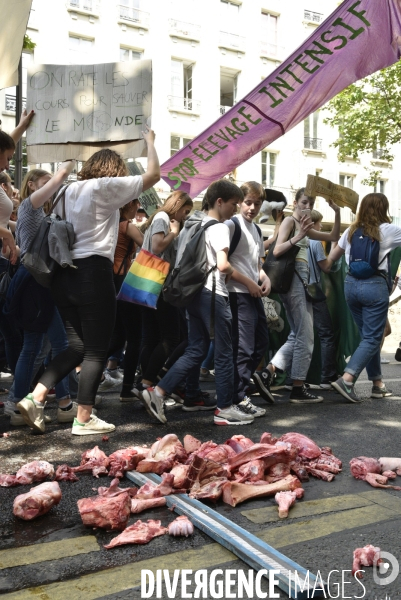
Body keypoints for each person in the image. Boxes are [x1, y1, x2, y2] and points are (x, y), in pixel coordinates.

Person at [16, 126, 160, 435]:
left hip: (63, 275)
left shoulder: (66, 190)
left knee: (77, 346)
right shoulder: (105, 187)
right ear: (114, 172)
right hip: (93, 272)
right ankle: (83, 418)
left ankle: (35, 396)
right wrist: (149, 143)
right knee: (97, 349)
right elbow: (153, 176)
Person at [142, 179, 255, 426]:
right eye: (234, 204)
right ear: (219, 201)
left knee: (196, 348)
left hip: (192, 293)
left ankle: (158, 393)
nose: (235, 210)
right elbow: (223, 265)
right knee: (224, 352)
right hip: (214, 292)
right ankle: (224, 408)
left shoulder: (190, 224)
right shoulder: (220, 227)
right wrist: (250, 283)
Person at [253, 188, 340, 404]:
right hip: (293, 278)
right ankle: (298, 387)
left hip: (301, 279)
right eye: (304, 202)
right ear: (296, 202)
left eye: (311, 202)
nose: (307, 206)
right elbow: (276, 250)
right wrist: (299, 236)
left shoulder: (303, 224)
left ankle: (269, 371)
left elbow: (333, 236)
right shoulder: (291, 222)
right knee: (306, 335)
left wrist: (337, 213)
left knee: (298, 333)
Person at [4, 168, 73, 427]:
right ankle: (61, 402)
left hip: (37, 282)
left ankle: (20, 402)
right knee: (53, 345)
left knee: (43, 345)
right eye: (44, 183)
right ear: (31, 185)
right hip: (37, 283)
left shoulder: (38, 212)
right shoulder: (29, 208)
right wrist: (64, 170)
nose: (49, 188)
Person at [328, 193, 401, 403]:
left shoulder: (351, 231)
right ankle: (347, 379)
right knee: (372, 337)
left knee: (368, 336)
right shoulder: (387, 230)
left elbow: (332, 258)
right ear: (383, 209)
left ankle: (377, 384)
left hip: (350, 286)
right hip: (374, 286)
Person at [135, 191, 193, 396]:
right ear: (176, 205)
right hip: (159, 283)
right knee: (171, 338)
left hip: (149, 283)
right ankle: (148, 380)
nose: (185, 216)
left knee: (151, 336)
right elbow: (157, 245)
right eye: (185, 211)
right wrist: (175, 232)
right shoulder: (163, 218)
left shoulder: (159, 219)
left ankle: (143, 383)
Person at [226, 181, 271, 416]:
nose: (252, 207)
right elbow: (223, 264)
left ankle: (240, 388)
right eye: (248, 202)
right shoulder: (232, 225)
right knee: (243, 348)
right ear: (240, 202)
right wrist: (249, 282)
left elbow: (256, 264)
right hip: (237, 293)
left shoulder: (257, 229)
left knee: (261, 342)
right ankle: (238, 397)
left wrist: (265, 278)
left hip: (253, 293)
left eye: (257, 203)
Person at [107, 199, 144, 402]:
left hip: (109, 281)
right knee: (135, 337)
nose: (137, 209)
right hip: (123, 282)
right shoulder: (126, 225)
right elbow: (149, 245)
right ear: (128, 206)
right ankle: (127, 388)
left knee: (117, 337)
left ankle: (87, 380)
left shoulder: (110, 224)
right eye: (136, 205)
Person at [307, 209, 339, 388]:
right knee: (326, 334)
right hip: (314, 291)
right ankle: (327, 376)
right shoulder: (315, 242)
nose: (320, 226)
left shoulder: (298, 239)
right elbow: (326, 266)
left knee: (300, 335)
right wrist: (334, 245)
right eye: (318, 223)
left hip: (300, 289)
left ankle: (292, 377)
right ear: (313, 224)